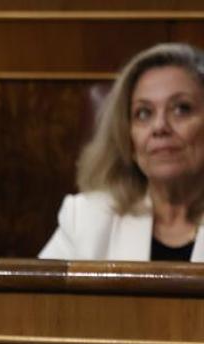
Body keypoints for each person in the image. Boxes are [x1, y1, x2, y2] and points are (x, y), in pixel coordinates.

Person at [41, 43, 204, 262]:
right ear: (127, 138)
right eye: (144, 113)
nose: (160, 127)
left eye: (181, 109)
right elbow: (38, 297)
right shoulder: (86, 218)